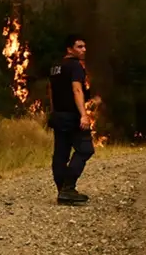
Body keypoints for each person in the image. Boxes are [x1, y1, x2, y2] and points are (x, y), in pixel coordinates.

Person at [48, 34, 95, 205]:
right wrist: (83, 114)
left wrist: (53, 112)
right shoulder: (75, 66)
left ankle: (62, 191)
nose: (84, 50)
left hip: (58, 115)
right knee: (85, 149)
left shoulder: (55, 67)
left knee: (61, 154)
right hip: (71, 116)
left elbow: (51, 91)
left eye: (84, 46)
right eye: (79, 47)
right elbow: (77, 90)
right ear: (69, 49)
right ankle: (68, 188)